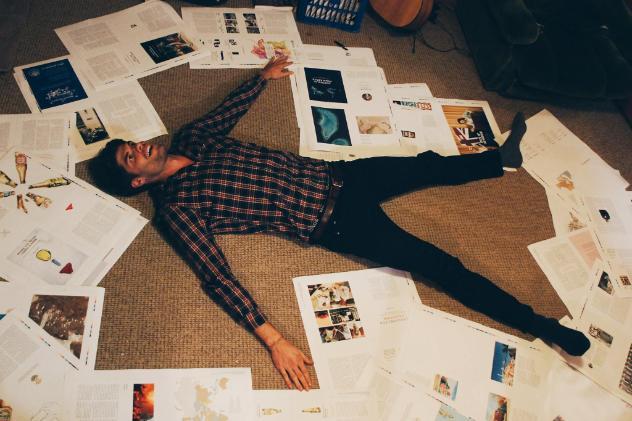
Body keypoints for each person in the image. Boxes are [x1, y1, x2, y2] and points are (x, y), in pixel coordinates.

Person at [89, 56, 591, 392]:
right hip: (334, 222)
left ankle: (496, 161)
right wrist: (274, 339)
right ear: (137, 183)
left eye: (130, 144)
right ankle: (545, 328)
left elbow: (227, 113)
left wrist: (261, 78)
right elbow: (215, 274)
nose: (140, 148)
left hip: (336, 175)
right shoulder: (176, 211)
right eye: (131, 159)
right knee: (442, 265)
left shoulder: (190, 138)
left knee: (423, 164)